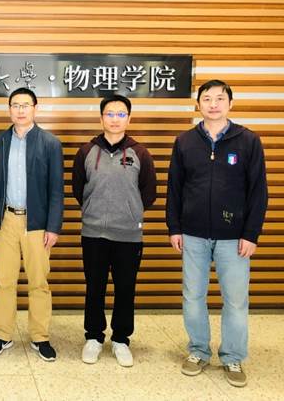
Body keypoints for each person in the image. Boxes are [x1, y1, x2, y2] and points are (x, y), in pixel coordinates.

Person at [166, 79, 268, 387]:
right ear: (198, 104)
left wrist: (251, 234)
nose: (213, 104)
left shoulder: (248, 141)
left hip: (234, 237)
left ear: (230, 104)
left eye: (220, 98)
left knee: (235, 300)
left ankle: (233, 356)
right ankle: (198, 350)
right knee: (193, 295)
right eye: (207, 98)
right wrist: (175, 227)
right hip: (193, 233)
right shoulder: (185, 142)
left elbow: (258, 191)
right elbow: (175, 188)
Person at [72, 94, 157, 367]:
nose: (115, 119)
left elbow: (149, 193)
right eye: (110, 114)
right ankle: (94, 337)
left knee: (125, 288)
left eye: (121, 114)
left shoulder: (140, 153)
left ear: (129, 119)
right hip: (93, 233)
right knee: (94, 287)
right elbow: (78, 189)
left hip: (128, 235)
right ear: (101, 118)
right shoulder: (86, 152)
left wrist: (128, 212)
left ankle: (121, 339)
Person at [0, 87, 64, 362]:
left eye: (25, 105)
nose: (20, 110)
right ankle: (2, 334)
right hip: (5, 220)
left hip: (37, 223)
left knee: (38, 282)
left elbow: (56, 189)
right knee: (4, 281)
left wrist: (53, 226)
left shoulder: (50, 143)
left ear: (35, 109)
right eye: (15, 105)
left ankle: (40, 336)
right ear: (9, 109)